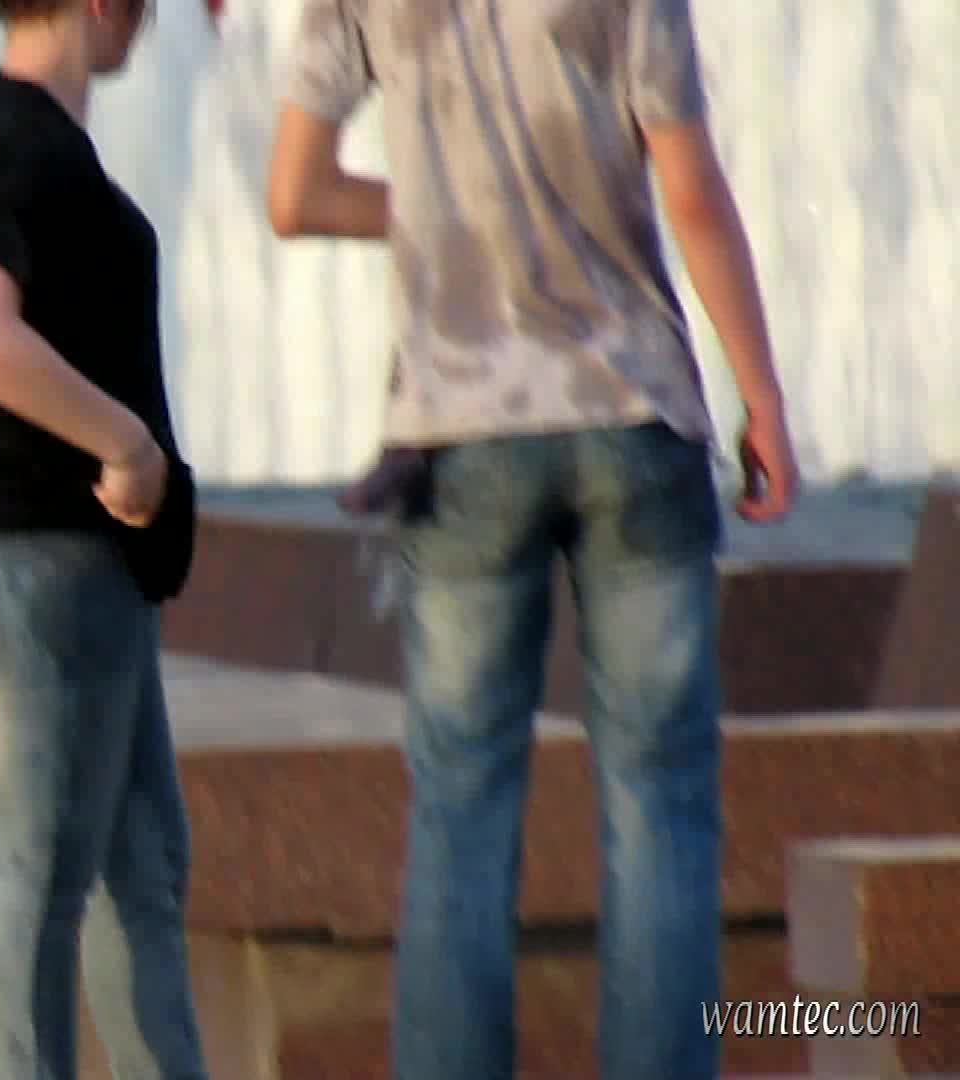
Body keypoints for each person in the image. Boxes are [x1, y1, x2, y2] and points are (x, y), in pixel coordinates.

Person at [266, 1, 800, 1077]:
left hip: (461, 429)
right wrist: (763, 399)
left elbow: (295, 195)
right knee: (661, 801)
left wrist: (448, 208)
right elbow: (689, 188)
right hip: (632, 412)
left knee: (460, 808)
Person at [0, 2, 210, 1077]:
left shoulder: (0, 127)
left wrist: (33, 384)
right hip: (41, 557)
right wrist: (119, 442)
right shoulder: (24, 141)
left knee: (141, 867)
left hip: (66, 565)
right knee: (43, 882)